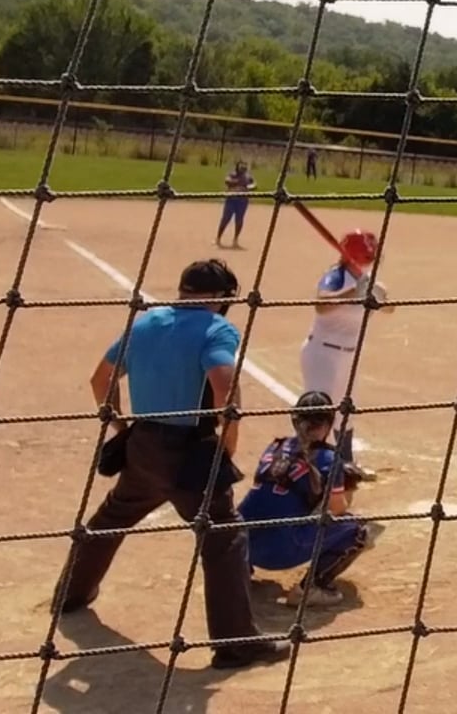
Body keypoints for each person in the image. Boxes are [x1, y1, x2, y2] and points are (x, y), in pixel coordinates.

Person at [54, 259, 286, 670]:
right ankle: (235, 644)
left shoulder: (145, 322)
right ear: (221, 297)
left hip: (143, 447)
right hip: (189, 453)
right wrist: (228, 444)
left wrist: (123, 428)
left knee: (112, 517)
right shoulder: (216, 328)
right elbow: (225, 387)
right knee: (225, 537)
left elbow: (100, 380)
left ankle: (69, 595)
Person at [240, 391, 381, 608]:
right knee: (358, 531)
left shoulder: (274, 447)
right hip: (280, 552)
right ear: (328, 424)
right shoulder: (328, 459)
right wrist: (346, 488)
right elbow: (337, 509)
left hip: (240, 545)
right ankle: (311, 588)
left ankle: (239, 573)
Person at [301, 230, 394, 482]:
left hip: (348, 356)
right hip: (323, 354)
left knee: (346, 411)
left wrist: (380, 297)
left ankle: (346, 465)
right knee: (319, 414)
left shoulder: (367, 280)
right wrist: (352, 294)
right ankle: (310, 470)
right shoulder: (336, 277)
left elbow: (390, 309)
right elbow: (321, 305)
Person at [217, 160, 255, 249]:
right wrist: (239, 182)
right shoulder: (232, 175)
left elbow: (254, 185)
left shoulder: (248, 177)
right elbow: (227, 181)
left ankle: (235, 240)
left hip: (242, 201)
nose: (243, 169)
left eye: (244, 167)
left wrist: (249, 186)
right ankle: (218, 238)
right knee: (225, 219)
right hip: (231, 200)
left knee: (239, 220)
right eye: (241, 167)